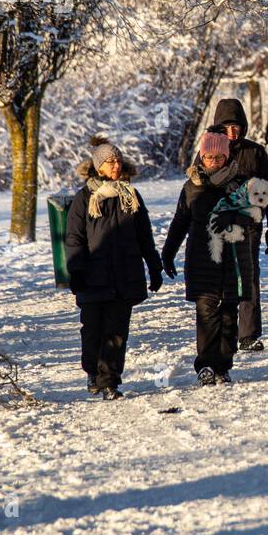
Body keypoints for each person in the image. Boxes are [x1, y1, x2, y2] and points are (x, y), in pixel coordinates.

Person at [65, 136, 162, 400]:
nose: (116, 166)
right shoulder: (84, 199)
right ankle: (93, 372)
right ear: (98, 167)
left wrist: (154, 266)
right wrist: (76, 270)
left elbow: (144, 235)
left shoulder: (131, 195)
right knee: (92, 332)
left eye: (118, 161)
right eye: (110, 162)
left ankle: (110, 382)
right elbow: (74, 237)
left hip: (124, 275)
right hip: (93, 277)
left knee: (117, 333)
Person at [161, 131, 252, 386]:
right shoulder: (192, 185)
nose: (214, 161)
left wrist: (235, 218)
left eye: (219, 157)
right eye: (209, 157)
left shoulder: (239, 183)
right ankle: (206, 365)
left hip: (232, 257)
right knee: (206, 313)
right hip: (202, 257)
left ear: (227, 156)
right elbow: (181, 220)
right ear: (202, 157)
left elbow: (252, 216)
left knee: (228, 315)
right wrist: (168, 252)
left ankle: (223, 364)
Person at [208, 97, 268, 352]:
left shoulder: (255, 152)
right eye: (226, 126)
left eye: (236, 126)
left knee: (248, 278)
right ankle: (222, 332)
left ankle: (248, 333)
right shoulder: (209, 151)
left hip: (249, 224)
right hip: (219, 225)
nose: (232, 131)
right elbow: (195, 188)